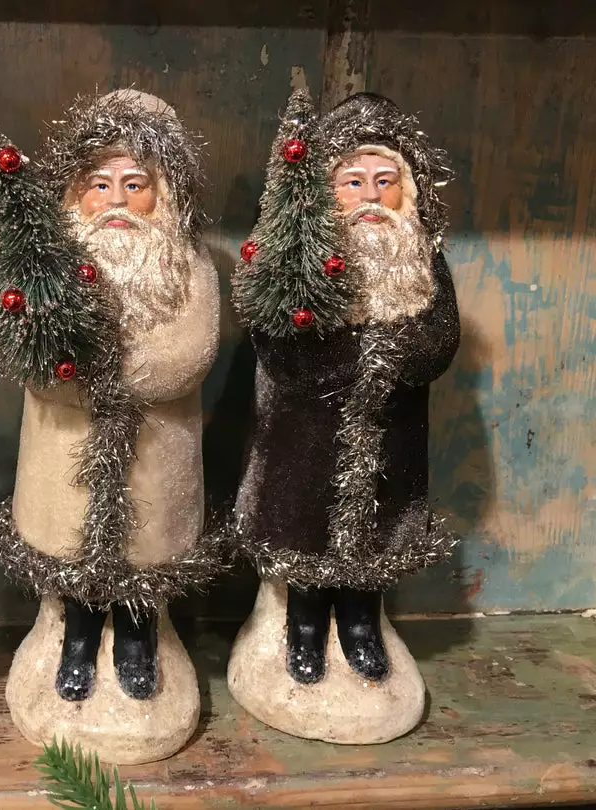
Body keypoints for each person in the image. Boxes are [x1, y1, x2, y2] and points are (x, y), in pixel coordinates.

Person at [0, 89, 222, 706]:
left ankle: (138, 638)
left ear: (164, 193)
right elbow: (32, 359)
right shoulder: (42, 269)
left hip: (155, 451)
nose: (115, 201)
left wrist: (105, 376)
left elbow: (189, 353)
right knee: (70, 548)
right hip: (65, 450)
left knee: (146, 552)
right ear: (73, 193)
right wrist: (78, 376)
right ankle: (77, 636)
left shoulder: (189, 266)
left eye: (135, 185)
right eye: (99, 184)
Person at [231, 91, 460, 686]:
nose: (371, 197)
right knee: (307, 533)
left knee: (376, 535)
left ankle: (362, 622)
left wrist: (386, 355)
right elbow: (283, 350)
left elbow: (440, 338)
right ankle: (304, 623)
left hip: (391, 434)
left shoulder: (422, 258)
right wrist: (365, 355)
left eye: (385, 182)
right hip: (306, 437)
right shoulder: (294, 260)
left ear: (407, 189)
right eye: (353, 182)